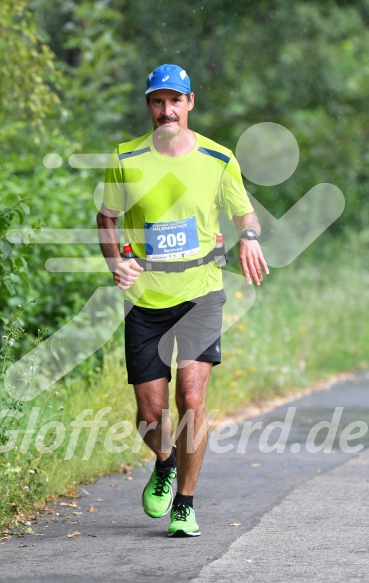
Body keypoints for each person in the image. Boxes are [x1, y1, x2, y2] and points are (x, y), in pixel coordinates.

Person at [97, 64, 268, 537]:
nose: (166, 110)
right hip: (145, 300)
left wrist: (249, 237)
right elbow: (106, 217)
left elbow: (243, 211)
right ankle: (165, 461)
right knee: (151, 415)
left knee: (192, 398)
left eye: (175, 101)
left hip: (201, 294)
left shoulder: (218, 157)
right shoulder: (125, 157)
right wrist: (115, 261)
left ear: (190, 103)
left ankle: (185, 505)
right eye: (157, 101)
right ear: (149, 106)